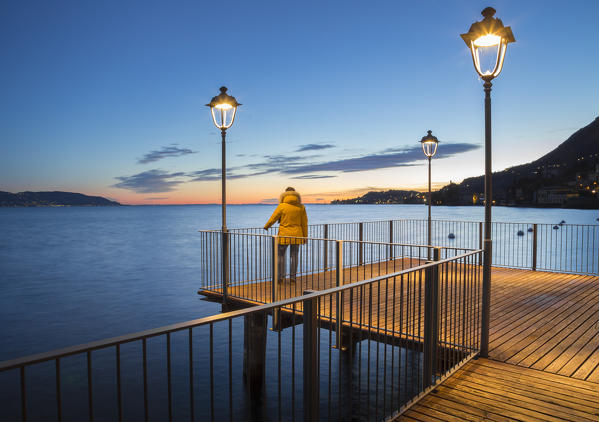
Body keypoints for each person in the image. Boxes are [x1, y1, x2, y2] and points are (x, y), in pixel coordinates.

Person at [264, 187, 308, 282]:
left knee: (280, 255)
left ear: (285, 195)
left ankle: (280, 277)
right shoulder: (301, 207)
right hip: (297, 235)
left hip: (284, 235)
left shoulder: (282, 206)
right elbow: (304, 223)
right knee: (294, 256)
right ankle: (293, 277)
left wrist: (267, 226)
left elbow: (273, 218)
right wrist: (305, 237)